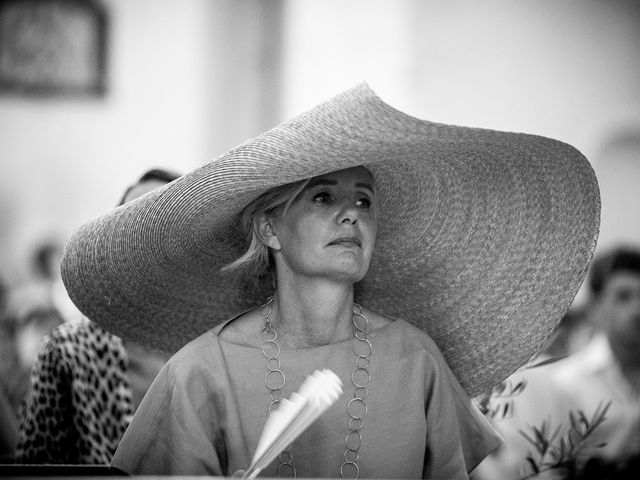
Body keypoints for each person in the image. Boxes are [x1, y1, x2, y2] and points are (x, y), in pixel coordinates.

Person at [60, 84, 599, 479]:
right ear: (270, 227)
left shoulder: (417, 360)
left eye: (364, 199)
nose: (352, 215)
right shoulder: (200, 373)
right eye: (323, 196)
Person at [14, 168, 181, 465]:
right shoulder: (70, 352)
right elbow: (34, 468)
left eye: (160, 224)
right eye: (130, 224)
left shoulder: (212, 354)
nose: (143, 241)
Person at [472, 246, 640, 480]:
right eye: (623, 296)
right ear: (596, 307)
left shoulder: (546, 379)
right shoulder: (564, 381)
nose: (636, 309)